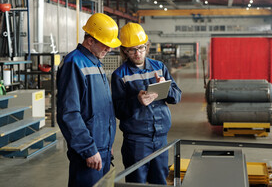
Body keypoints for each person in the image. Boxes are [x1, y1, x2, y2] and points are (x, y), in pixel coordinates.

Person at [111, 22, 182, 185]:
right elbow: (118, 110)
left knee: (160, 181)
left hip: (161, 137)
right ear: (124, 51)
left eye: (141, 48)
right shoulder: (120, 75)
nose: (137, 53)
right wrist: (136, 101)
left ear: (146, 46)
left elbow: (177, 96)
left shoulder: (159, 67)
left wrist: (167, 87)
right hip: (137, 141)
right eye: (132, 49)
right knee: (137, 182)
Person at [57, 13, 121, 187]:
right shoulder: (74, 63)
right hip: (89, 151)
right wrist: (88, 149)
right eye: (105, 44)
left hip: (102, 148)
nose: (109, 49)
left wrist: (107, 144)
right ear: (90, 40)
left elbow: (101, 108)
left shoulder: (94, 62)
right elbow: (69, 113)